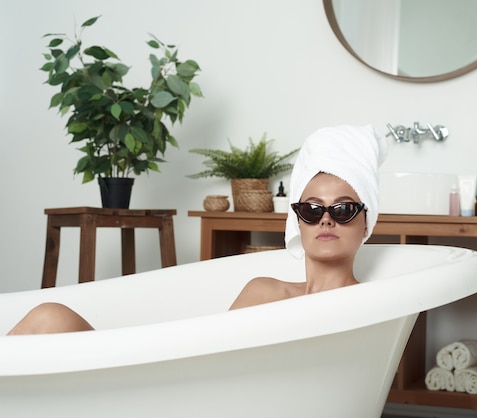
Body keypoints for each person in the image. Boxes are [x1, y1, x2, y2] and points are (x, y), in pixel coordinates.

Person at [8, 124, 388, 335]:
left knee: (49, 319)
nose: (325, 219)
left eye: (342, 209)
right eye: (311, 209)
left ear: (366, 219)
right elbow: (204, 352)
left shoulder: (369, 307)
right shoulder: (263, 290)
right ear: (297, 220)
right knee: (50, 315)